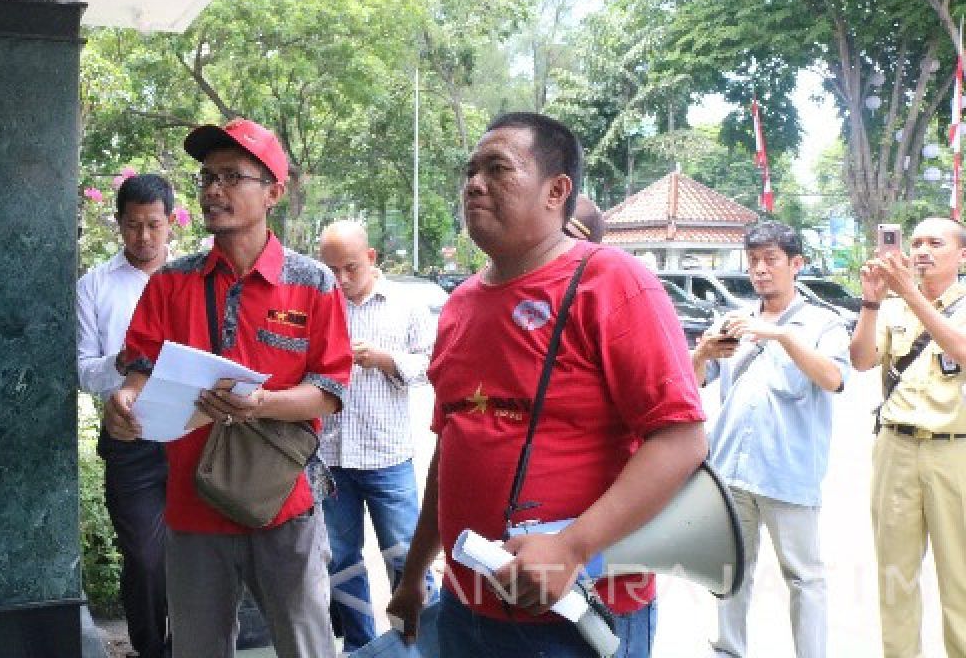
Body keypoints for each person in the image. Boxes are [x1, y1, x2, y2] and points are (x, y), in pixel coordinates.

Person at [387, 112, 707, 658]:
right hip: (467, 604)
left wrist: (571, 548)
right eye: (470, 171)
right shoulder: (460, 303)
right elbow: (455, 443)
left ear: (557, 190)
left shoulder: (613, 283)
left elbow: (681, 439)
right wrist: (415, 571)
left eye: (497, 168)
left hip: (578, 610)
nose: (474, 184)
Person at [103, 118, 352, 658]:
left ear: (273, 193)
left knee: (305, 644)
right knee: (198, 647)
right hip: (193, 505)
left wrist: (260, 403)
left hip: (285, 501)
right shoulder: (171, 281)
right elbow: (139, 371)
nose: (214, 189)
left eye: (232, 177)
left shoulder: (312, 283)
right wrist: (125, 400)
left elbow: (329, 392)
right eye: (207, 177)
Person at [693, 221, 849, 658]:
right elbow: (690, 386)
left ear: (796, 265)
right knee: (730, 571)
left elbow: (834, 378)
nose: (760, 270)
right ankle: (729, 650)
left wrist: (781, 334)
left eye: (771, 260)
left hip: (788, 471)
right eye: (754, 261)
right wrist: (703, 353)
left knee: (804, 577)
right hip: (730, 470)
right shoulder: (733, 321)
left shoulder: (824, 323)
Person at [317, 220, 436, 652]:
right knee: (341, 562)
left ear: (371, 258)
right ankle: (360, 645)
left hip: (388, 457)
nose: (341, 280)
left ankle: (421, 642)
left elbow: (433, 364)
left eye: (349, 268)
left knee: (407, 559)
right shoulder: (321, 305)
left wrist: (388, 361)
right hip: (331, 458)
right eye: (331, 270)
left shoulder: (406, 305)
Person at [849, 217, 966, 658]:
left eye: (935, 243)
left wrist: (910, 294)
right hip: (895, 447)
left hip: (954, 450)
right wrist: (872, 302)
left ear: (962, 256)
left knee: (960, 579)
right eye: (915, 242)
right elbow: (861, 361)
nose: (921, 251)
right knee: (895, 578)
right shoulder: (894, 308)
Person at [76, 173, 174, 658]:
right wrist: (120, 361)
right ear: (118, 224)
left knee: (202, 552)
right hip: (129, 436)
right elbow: (81, 371)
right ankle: (151, 648)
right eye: (133, 225)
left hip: (193, 433)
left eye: (153, 225)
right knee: (144, 556)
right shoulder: (95, 286)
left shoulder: (193, 277)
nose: (144, 237)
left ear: (171, 223)